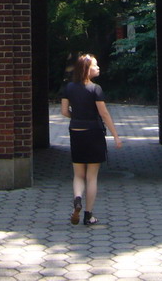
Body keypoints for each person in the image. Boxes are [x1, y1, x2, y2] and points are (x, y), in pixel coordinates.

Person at [59, 53, 122, 225]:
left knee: (78, 174)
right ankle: (88, 215)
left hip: (76, 131)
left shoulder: (69, 88)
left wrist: (76, 116)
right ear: (87, 69)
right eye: (95, 65)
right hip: (93, 132)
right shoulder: (96, 89)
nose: (98, 67)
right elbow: (104, 113)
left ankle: (77, 198)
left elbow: (64, 112)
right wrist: (116, 135)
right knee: (92, 177)